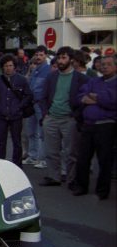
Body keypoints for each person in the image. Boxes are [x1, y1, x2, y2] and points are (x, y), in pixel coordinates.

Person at [40, 46, 90, 187]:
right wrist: (45, 114)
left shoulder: (81, 78)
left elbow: (84, 100)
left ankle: (71, 179)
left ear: (71, 60)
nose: (60, 61)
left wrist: (76, 116)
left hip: (69, 118)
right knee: (51, 151)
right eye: (59, 58)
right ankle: (54, 176)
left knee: (71, 153)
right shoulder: (52, 76)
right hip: (51, 117)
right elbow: (43, 96)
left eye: (64, 58)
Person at [72, 54, 116, 200]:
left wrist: (96, 97)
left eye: (108, 64)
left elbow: (112, 101)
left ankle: (102, 191)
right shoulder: (93, 81)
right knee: (83, 157)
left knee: (104, 160)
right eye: (102, 64)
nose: (104, 67)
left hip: (106, 126)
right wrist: (94, 98)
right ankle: (81, 186)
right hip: (88, 125)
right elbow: (81, 96)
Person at [0, 54, 33, 167]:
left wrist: (19, 107)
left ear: (14, 66)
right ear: (2, 67)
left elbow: (28, 95)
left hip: (16, 115)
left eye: (10, 65)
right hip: (2, 115)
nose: (8, 68)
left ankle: (17, 165)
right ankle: (0, 164)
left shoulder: (21, 79)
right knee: (0, 141)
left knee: (17, 141)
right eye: (6, 66)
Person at [23, 46, 51, 168]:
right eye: (37, 55)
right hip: (32, 103)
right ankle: (33, 156)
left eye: (41, 55)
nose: (38, 57)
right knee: (31, 131)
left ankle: (43, 158)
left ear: (46, 56)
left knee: (41, 133)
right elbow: (29, 84)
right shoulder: (35, 69)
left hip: (41, 104)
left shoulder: (48, 70)